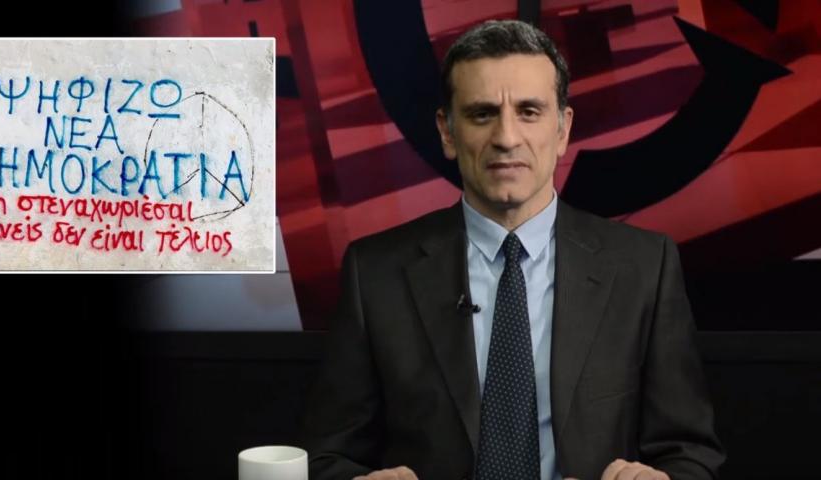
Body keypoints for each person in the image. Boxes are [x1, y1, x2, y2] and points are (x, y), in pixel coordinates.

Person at [301, 19, 724, 480]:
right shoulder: (375, 273)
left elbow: (690, 453)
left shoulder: (644, 268)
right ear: (447, 132)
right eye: (482, 114)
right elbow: (326, 458)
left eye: (529, 111)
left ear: (562, 129)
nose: (506, 137)